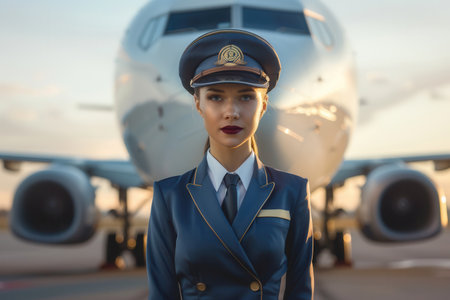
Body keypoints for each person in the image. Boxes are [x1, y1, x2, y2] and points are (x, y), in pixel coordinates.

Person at [146, 29, 313, 300]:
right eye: (215, 97)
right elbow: (161, 294)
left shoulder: (292, 192)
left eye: (246, 96)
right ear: (197, 104)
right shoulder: (170, 197)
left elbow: (300, 291)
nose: (231, 112)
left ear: (264, 104)